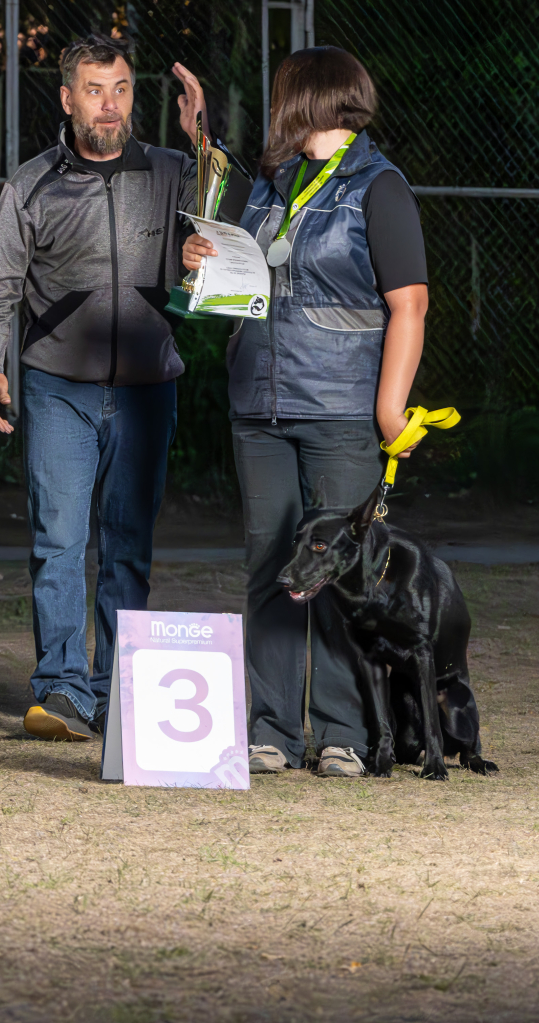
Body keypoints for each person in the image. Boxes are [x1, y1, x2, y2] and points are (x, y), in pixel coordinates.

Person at [182, 46, 429, 780]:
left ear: (309, 99)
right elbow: (246, 276)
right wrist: (205, 257)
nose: (274, 106)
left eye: (284, 93)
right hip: (260, 404)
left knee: (343, 574)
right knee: (272, 564)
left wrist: (390, 409)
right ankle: (272, 731)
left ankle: (345, 732)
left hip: (343, 411)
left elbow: (409, 303)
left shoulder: (378, 187)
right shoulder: (269, 182)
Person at [0, 36, 206, 744]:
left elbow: (237, 217)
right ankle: (63, 689)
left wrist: (205, 140)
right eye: (95, 89)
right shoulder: (31, 184)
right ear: (67, 98)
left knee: (128, 544)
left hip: (146, 386)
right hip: (57, 386)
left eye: (123, 88)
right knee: (59, 539)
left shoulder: (172, 171)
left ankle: (123, 692)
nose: (110, 103)